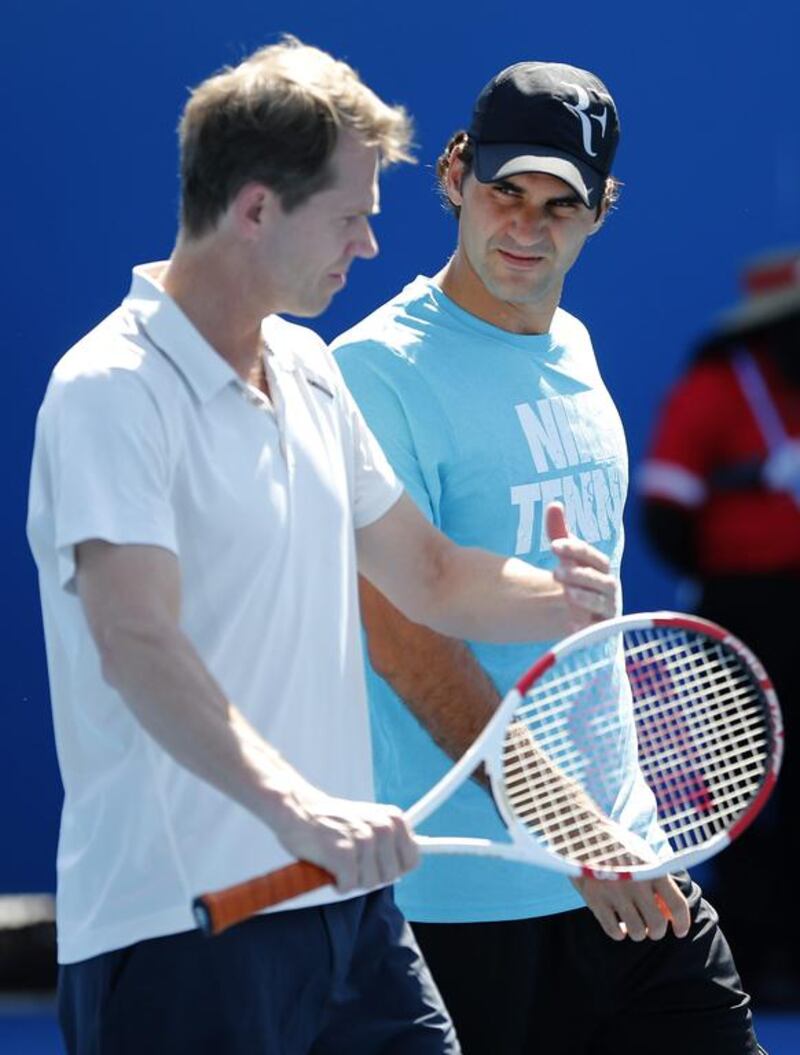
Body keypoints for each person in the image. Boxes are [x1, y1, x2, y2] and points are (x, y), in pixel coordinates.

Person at [26, 40, 628, 1055]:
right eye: (350, 218)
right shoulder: (108, 391)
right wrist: (300, 810)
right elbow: (137, 643)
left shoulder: (305, 366)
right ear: (257, 208)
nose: (368, 248)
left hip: (350, 915)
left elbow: (429, 573)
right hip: (183, 924)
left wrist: (556, 596)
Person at [333, 61, 766, 1054]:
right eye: (503, 192)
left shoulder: (570, 343)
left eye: (559, 204)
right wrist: (573, 835)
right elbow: (408, 650)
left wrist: (610, 835)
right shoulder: (369, 373)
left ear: (598, 213)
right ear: (451, 174)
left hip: (629, 864)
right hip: (468, 905)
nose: (525, 227)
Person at [639, 247, 800, 1007]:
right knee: (745, 793)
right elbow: (665, 515)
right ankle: (754, 959)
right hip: (742, 620)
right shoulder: (713, 391)